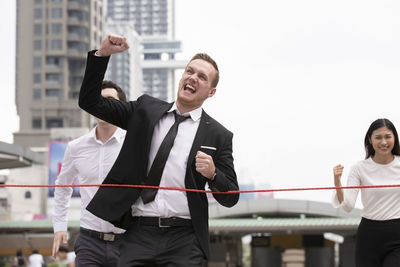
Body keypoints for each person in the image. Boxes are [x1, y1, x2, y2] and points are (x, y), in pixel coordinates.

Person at [78, 34, 240, 266]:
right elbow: (89, 102)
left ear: (211, 92)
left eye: (202, 77)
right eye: (189, 71)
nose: (192, 78)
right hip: (138, 233)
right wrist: (101, 55)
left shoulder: (218, 135)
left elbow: (231, 197)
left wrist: (214, 175)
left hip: (184, 240)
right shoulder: (145, 110)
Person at [52, 81, 127, 267]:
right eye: (99, 100)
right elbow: (62, 187)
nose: (103, 105)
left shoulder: (133, 144)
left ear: (122, 107)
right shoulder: (75, 147)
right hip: (89, 242)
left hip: (128, 241)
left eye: (110, 100)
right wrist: (59, 227)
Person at [333, 118, 400, 267]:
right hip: (369, 235)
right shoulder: (359, 168)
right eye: (378, 137)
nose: (383, 142)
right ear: (370, 139)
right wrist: (337, 182)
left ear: (394, 137)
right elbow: (348, 206)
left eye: (388, 136)